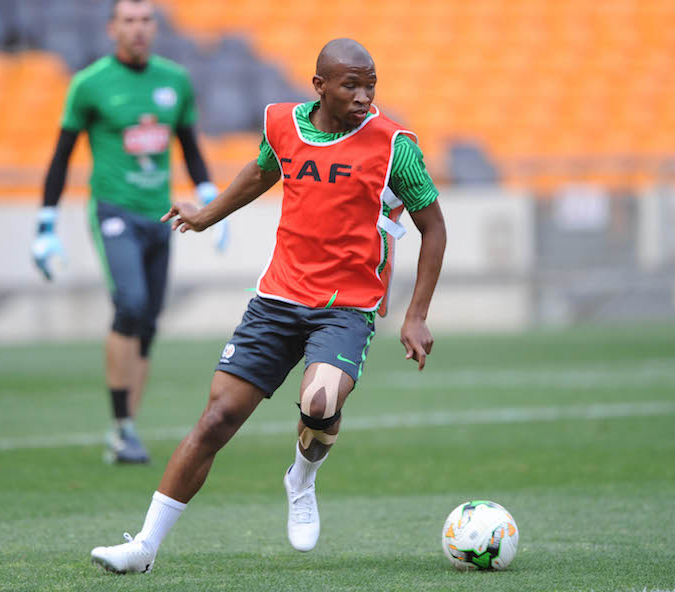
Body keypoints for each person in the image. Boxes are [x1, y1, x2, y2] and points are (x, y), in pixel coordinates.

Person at [90, 37, 446, 573]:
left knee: (321, 403)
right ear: (319, 86)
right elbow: (262, 172)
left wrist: (416, 314)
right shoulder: (281, 124)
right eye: (351, 84)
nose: (363, 95)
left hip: (346, 304)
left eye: (370, 83)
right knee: (216, 419)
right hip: (277, 297)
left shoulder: (395, 145)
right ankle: (143, 547)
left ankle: (301, 477)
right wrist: (207, 215)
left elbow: (433, 227)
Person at [31, 0, 226, 464]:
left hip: (159, 215)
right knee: (131, 305)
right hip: (114, 209)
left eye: (145, 20)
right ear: (112, 28)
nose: (138, 29)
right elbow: (60, 157)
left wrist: (213, 200)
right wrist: (45, 225)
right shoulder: (90, 84)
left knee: (149, 323)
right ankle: (120, 424)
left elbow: (189, 145)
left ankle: (127, 432)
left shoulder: (174, 80)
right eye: (129, 21)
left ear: (154, 27)